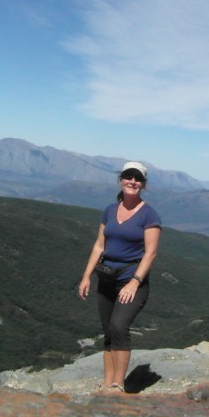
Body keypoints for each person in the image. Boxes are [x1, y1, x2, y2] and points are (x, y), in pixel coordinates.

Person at [78, 161, 161, 393]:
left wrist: (135, 282)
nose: (132, 181)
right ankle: (107, 383)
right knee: (108, 330)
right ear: (120, 179)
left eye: (138, 178)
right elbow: (99, 245)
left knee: (119, 325)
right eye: (128, 176)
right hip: (106, 277)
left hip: (131, 278)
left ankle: (118, 384)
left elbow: (151, 253)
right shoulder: (109, 211)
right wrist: (86, 276)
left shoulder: (149, 215)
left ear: (143, 184)